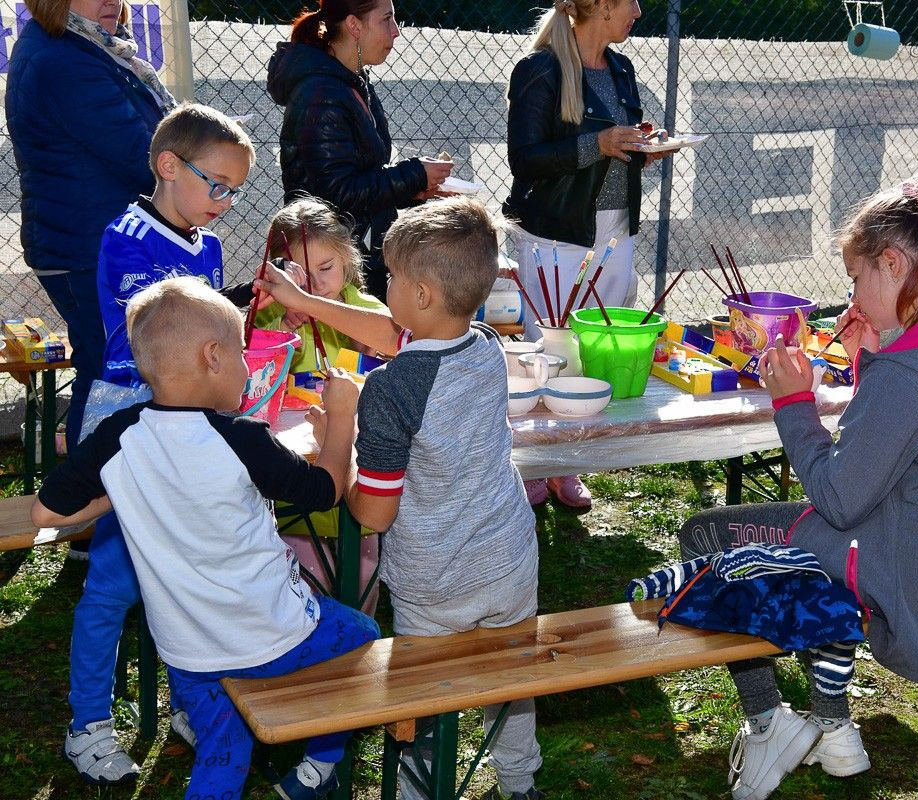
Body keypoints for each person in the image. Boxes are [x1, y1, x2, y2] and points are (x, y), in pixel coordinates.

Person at [676, 180, 918, 800]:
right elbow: (903, 450)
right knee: (820, 547)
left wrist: (792, 402)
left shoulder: (907, 380)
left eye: (855, 277)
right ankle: (833, 724)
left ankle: (768, 724)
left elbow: (840, 497)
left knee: (705, 535)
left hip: (902, 586)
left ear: (892, 264)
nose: (853, 296)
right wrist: (875, 355)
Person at [32, 278, 380, 800]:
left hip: (189, 654)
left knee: (224, 748)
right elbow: (325, 490)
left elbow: (46, 509)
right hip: (274, 634)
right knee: (363, 635)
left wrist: (129, 488)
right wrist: (342, 421)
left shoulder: (119, 435)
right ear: (213, 357)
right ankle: (319, 764)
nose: (248, 365)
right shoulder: (240, 437)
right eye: (243, 352)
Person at [60, 103, 257, 786]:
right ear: (169, 167)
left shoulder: (206, 245)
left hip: (185, 422)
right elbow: (154, 339)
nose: (226, 204)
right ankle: (87, 723)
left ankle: (190, 700)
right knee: (113, 584)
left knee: (185, 574)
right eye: (218, 185)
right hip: (131, 421)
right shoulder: (128, 236)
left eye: (237, 190)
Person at [346, 197, 544, 800]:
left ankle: (416, 788)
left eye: (392, 278)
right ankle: (519, 780)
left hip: (436, 580)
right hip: (510, 558)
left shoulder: (388, 390)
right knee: (512, 680)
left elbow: (375, 513)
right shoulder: (486, 345)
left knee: (424, 695)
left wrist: (346, 472)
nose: (386, 288)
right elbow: (403, 342)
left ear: (423, 295)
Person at [6, 0, 176, 560]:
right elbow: (141, 153)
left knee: (106, 369)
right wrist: (196, 156)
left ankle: (88, 513)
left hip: (92, 238)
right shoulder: (62, 59)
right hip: (86, 245)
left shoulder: (83, 47)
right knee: (107, 373)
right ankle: (85, 520)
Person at [504, 0, 670, 510]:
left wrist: (645, 148)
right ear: (599, 6)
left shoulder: (621, 68)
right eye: (629, 2)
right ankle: (532, 465)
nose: (639, 12)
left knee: (593, 350)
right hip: (557, 234)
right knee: (548, 351)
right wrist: (594, 145)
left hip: (616, 230)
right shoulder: (541, 69)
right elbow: (524, 158)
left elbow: (622, 145)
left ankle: (566, 465)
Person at [268, 0, 453, 301]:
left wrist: (417, 188)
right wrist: (414, 175)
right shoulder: (322, 93)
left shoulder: (352, 80)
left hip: (354, 255)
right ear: (354, 25)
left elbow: (363, 175)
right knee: (349, 349)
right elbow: (336, 193)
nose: (396, 32)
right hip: (327, 268)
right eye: (386, 20)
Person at [256, 196, 389, 613]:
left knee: (363, 573)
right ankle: (315, 642)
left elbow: (395, 360)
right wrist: (279, 327)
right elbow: (251, 375)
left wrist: (367, 351)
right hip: (293, 477)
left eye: (325, 269)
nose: (311, 287)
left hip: (353, 466)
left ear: (348, 258)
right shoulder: (266, 316)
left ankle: (355, 646)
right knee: (306, 571)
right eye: (298, 275)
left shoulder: (366, 312)